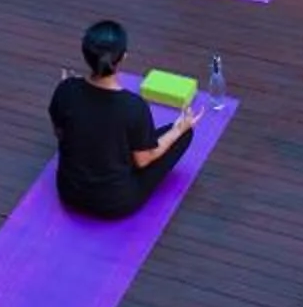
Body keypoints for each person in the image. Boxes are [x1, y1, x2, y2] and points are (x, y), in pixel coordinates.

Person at [49, 18, 204, 219]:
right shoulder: (133, 106)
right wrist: (179, 129)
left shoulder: (66, 89)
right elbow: (143, 160)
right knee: (184, 135)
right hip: (115, 202)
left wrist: (67, 92)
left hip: (69, 191)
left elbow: (60, 133)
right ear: (122, 58)